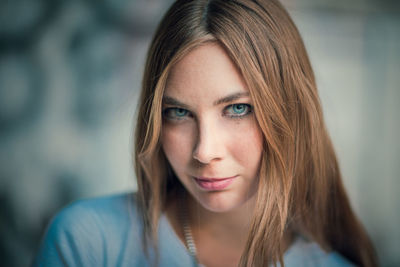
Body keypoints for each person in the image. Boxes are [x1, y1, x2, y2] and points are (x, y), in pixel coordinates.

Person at [33, 0, 379, 266]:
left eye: (238, 108)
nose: (204, 151)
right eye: (179, 113)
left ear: (290, 111)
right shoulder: (87, 243)